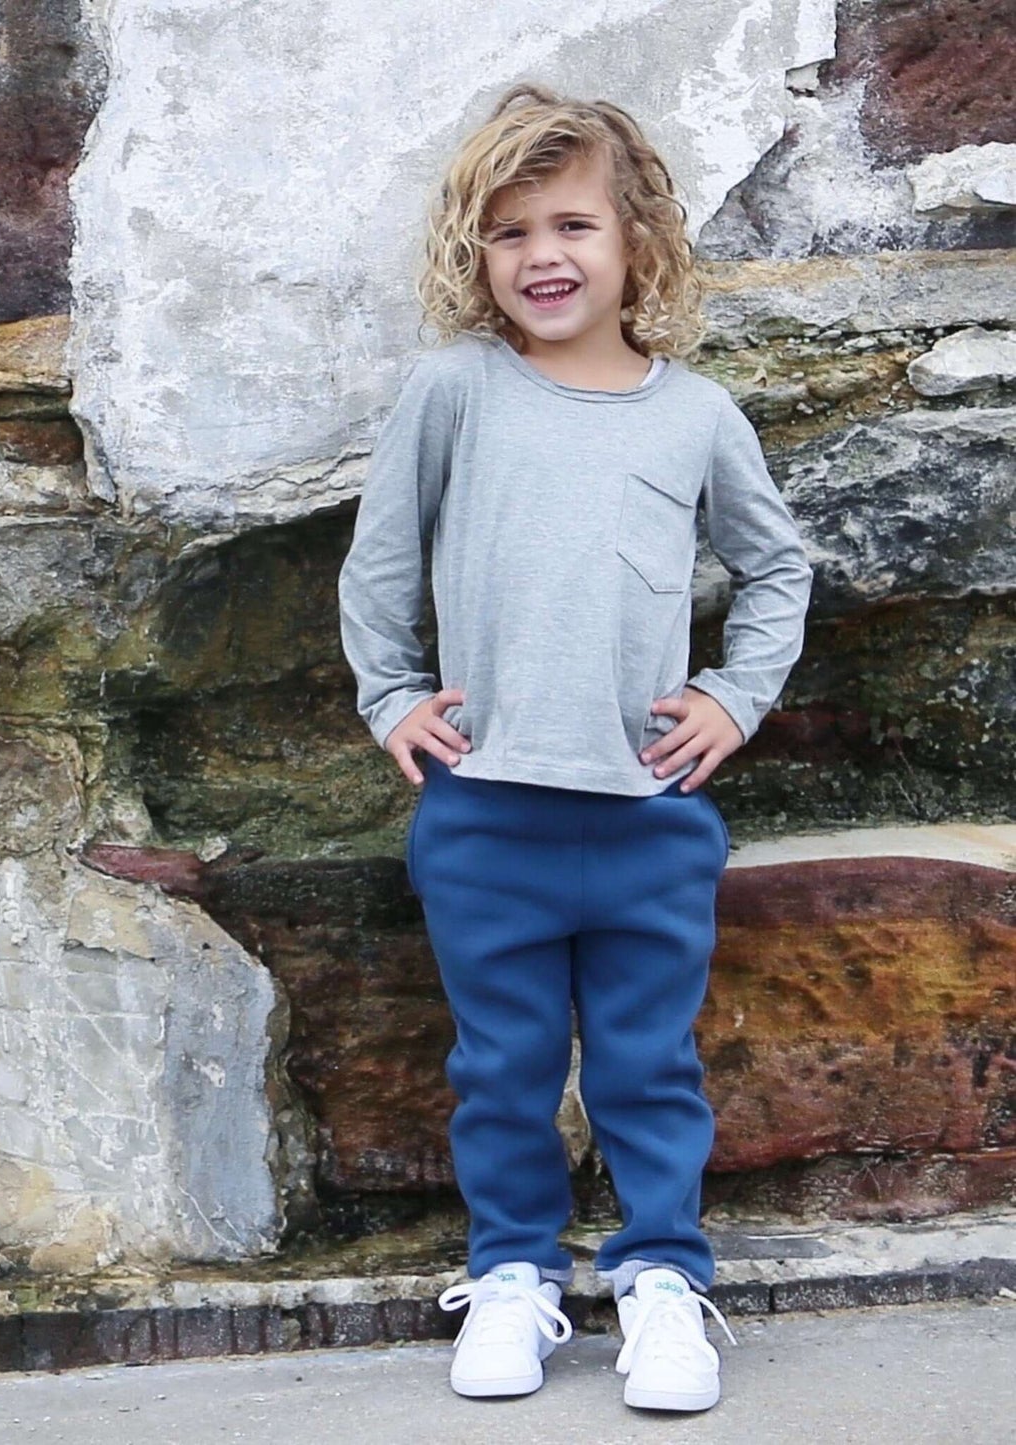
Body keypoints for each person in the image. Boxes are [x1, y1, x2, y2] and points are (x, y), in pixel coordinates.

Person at [336, 83, 813, 1413]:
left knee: (645, 1062)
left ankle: (660, 1276)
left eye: (571, 224)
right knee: (499, 1064)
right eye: (506, 234)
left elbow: (774, 573)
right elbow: (377, 567)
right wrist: (391, 699)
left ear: (635, 241)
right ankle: (512, 1275)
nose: (541, 256)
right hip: (484, 811)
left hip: (649, 811)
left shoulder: (695, 415)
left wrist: (732, 696)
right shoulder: (454, 391)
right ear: (474, 258)